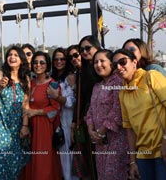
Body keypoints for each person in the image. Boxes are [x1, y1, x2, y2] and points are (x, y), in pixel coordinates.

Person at [112, 49, 166, 180]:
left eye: (122, 62)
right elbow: (129, 129)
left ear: (134, 62)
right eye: (115, 65)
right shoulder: (123, 93)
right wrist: (132, 162)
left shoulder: (151, 76)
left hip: (162, 150)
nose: (119, 67)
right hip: (143, 155)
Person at [0, 46, 30, 180]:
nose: (12, 57)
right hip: (0, 124)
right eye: (10, 55)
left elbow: (26, 104)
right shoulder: (0, 74)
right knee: (0, 159)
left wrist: (25, 125)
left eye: (16, 55)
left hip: (16, 126)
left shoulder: (25, 79)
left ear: (21, 60)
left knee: (15, 160)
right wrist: (0, 86)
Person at [85, 49, 129, 180]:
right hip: (100, 142)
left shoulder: (118, 83)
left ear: (112, 63)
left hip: (116, 140)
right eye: (95, 62)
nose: (98, 65)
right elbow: (90, 111)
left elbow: (118, 110)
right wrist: (90, 129)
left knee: (113, 175)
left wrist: (102, 131)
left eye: (102, 61)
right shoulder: (97, 86)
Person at [22, 51, 62, 180]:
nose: (38, 65)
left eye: (42, 62)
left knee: (42, 162)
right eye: (35, 62)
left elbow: (55, 108)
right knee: (30, 160)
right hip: (30, 126)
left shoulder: (52, 84)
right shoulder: (31, 83)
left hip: (44, 127)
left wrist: (36, 112)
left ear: (47, 65)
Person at [71, 35, 101, 180]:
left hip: (105, 119)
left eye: (88, 48)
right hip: (86, 120)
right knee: (89, 160)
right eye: (81, 49)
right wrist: (74, 123)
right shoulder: (81, 72)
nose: (84, 51)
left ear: (97, 47)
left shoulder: (104, 68)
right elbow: (80, 99)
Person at [47, 47, 77, 180]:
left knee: (69, 159)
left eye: (62, 59)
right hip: (52, 123)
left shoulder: (71, 77)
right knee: (56, 160)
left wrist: (58, 98)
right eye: (56, 59)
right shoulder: (50, 78)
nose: (59, 61)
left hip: (69, 123)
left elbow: (72, 101)